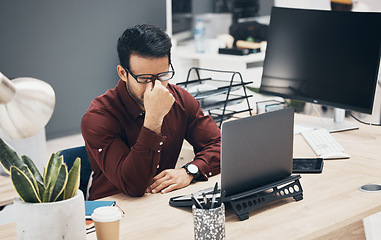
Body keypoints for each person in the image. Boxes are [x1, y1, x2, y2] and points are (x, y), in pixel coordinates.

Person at [81, 24, 221, 200]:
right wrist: (154, 119)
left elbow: (222, 145)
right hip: (113, 208)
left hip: (159, 203)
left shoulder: (181, 100)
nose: (154, 87)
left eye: (162, 76)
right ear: (123, 73)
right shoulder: (98, 117)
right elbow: (133, 185)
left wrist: (190, 171)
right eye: (144, 78)